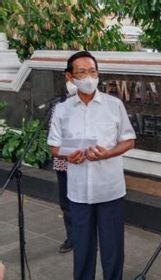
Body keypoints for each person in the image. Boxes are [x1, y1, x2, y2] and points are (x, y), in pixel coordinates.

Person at [47, 51, 136, 280]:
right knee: (83, 250)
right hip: (78, 193)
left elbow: (129, 140)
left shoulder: (113, 105)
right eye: (82, 72)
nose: (88, 77)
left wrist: (108, 153)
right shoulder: (62, 110)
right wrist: (69, 156)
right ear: (70, 77)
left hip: (109, 190)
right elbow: (54, 146)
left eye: (93, 71)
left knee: (113, 249)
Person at [52, 73, 77, 254]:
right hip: (63, 161)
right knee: (66, 202)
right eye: (70, 79)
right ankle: (72, 237)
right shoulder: (59, 105)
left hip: (86, 162)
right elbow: (53, 137)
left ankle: (89, 236)